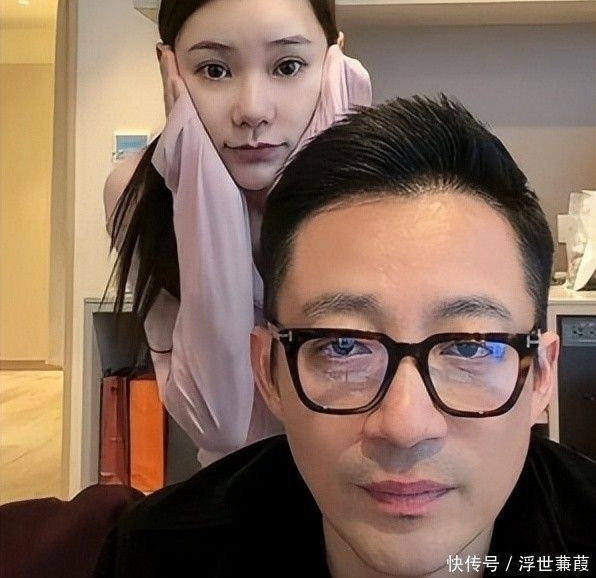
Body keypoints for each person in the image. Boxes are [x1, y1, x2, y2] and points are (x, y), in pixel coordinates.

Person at [96, 96, 595, 577]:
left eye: (468, 347)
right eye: (343, 346)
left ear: (540, 378)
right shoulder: (158, 558)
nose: (404, 426)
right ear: (269, 371)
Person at [104, 0, 372, 465]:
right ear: (169, 68)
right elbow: (222, 421)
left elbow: (356, 394)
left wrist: (337, 173)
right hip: (234, 493)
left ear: (334, 63)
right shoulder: (136, 191)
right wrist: (198, 183)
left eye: (288, 67)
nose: (252, 109)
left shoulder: (389, 183)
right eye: (214, 70)